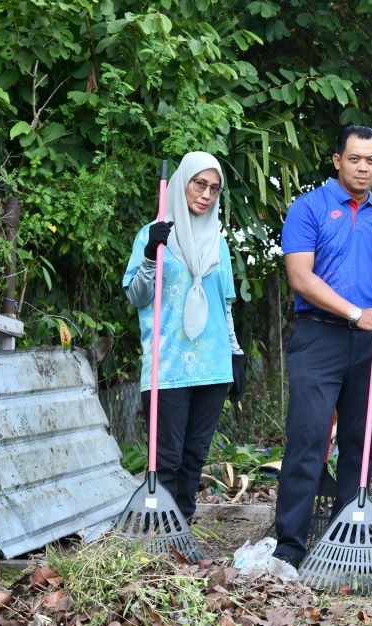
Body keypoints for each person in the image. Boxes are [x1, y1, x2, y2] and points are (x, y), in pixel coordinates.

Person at [274, 125, 372, 568]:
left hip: (370, 343)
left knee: (360, 440)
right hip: (319, 336)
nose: (363, 167)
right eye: (355, 159)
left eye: (371, 160)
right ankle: (290, 546)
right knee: (308, 436)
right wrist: (355, 313)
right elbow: (300, 277)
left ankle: (345, 541)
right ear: (337, 160)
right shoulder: (309, 208)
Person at [123, 151, 245, 524]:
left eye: (214, 188)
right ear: (182, 184)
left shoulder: (218, 244)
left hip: (212, 365)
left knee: (195, 455)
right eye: (199, 184)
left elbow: (224, 306)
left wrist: (235, 354)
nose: (206, 194)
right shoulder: (153, 234)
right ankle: (159, 528)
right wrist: (149, 255)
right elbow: (137, 297)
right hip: (167, 364)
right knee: (166, 457)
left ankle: (183, 528)